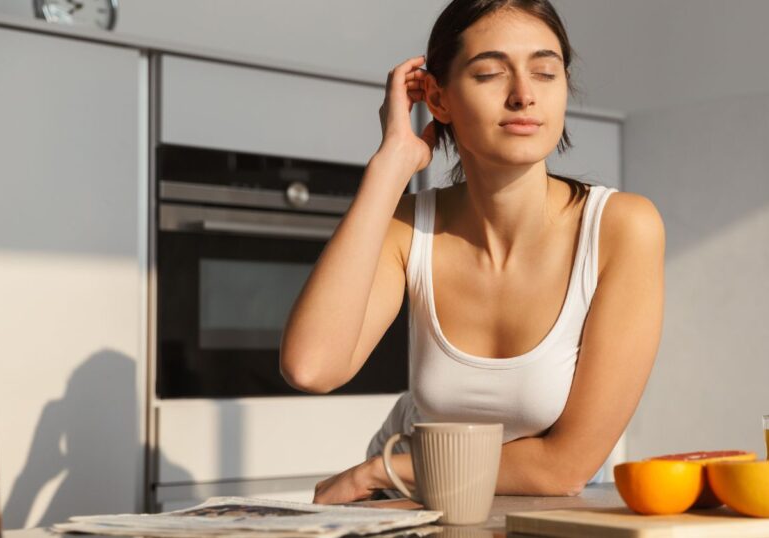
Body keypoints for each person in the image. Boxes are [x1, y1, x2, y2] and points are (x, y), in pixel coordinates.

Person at [280, 0, 664, 505]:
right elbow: (312, 367)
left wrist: (382, 470)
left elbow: (564, 466)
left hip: (507, 507)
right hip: (412, 509)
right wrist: (391, 166)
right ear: (438, 100)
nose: (524, 95)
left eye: (546, 72)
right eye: (490, 74)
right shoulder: (408, 227)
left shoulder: (622, 228)